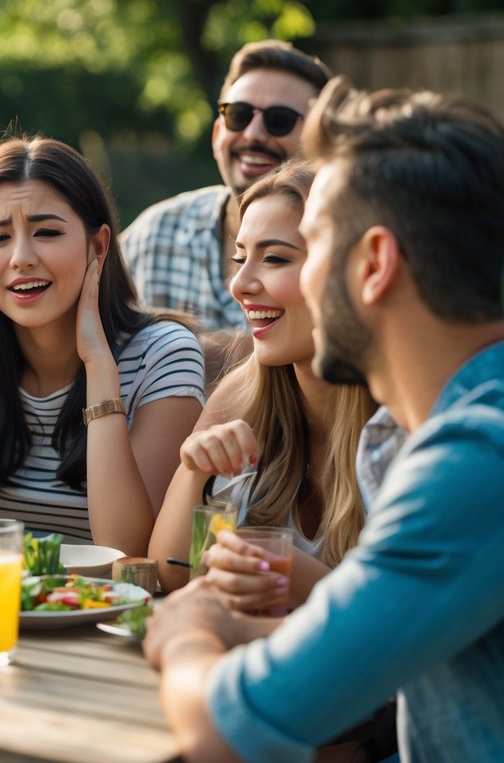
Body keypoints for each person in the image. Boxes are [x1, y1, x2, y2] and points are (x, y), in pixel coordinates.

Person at [143, 80, 504, 761]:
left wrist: (185, 631)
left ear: (373, 264)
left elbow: (222, 734)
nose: (243, 287)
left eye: (309, 245)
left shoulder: (478, 463)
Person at [0, 136, 206, 556]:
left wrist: (98, 366)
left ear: (98, 246)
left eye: (47, 232)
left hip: (107, 614)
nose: (21, 257)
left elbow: (133, 553)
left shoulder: (162, 354)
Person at [147, 161, 379, 601]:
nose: (240, 283)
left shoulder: (398, 415)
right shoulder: (243, 395)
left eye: (274, 258)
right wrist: (194, 474)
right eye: (240, 258)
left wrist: (291, 575)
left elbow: (410, 621)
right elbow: (174, 572)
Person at [121, 40, 332, 380]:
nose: (253, 133)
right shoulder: (154, 233)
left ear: (321, 144)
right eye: (238, 115)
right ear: (218, 133)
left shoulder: (338, 246)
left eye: (280, 120)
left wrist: (216, 351)